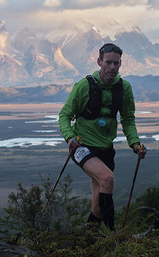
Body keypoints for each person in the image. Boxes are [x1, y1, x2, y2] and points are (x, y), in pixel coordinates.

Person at [58, 42, 146, 231]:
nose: (112, 67)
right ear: (99, 62)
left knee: (97, 207)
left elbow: (128, 119)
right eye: (108, 62)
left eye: (116, 63)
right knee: (108, 179)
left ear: (120, 64)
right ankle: (111, 235)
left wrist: (135, 143)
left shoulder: (124, 88)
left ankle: (87, 239)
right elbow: (64, 115)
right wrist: (70, 138)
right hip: (82, 147)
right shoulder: (84, 86)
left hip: (106, 149)